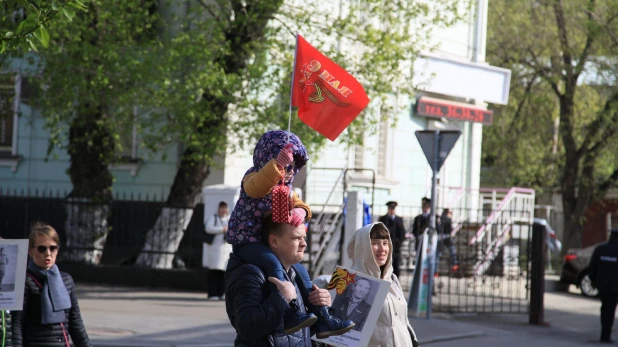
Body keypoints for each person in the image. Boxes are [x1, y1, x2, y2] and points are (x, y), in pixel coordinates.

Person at [226, 130, 353, 336]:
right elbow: (257, 187)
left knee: (301, 272)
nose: (290, 171)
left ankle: (322, 318)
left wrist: (299, 211)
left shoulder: (285, 189)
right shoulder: (252, 178)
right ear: (267, 160)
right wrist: (276, 165)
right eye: (287, 166)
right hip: (247, 240)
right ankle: (291, 312)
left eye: (293, 167)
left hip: (268, 241)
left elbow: (303, 206)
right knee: (272, 263)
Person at [225, 214, 349, 345]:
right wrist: (282, 298)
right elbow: (247, 329)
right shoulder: (250, 273)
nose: (304, 244)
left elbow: (299, 334)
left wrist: (322, 306)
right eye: (296, 238)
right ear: (274, 241)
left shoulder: (296, 274)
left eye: (304, 237)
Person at [12, 222, 90, 347]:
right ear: (30, 251)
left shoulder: (66, 280)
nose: (48, 253)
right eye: (42, 248)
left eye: (53, 248)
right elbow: (17, 324)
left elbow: (75, 322)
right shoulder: (25, 281)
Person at [346, 222, 420, 347]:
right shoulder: (352, 282)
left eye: (385, 243)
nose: (382, 249)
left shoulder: (392, 279)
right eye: (375, 243)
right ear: (363, 247)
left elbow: (403, 320)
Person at [588, 228, 618, 344]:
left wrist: (594, 281)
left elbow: (592, 268)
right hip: (614, 288)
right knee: (610, 311)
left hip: (602, 286)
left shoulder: (600, 250)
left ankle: (604, 334)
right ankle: (605, 336)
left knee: (604, 309)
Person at [203, 201, 231, 301]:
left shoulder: (229, 219)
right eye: (221, 208)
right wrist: (222, 229)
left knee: (225, 273)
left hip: (226, 250)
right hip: (215, 249)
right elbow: (208, 228)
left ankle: (222, 293)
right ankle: (213, 293)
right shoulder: (213, 218)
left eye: (225, 208)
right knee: (214, 272)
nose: (223, 210)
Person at [378, 201, 405, 277]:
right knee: (384, 264)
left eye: (393, 209)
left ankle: (395, 281)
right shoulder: (382, 219)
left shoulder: (399, 219)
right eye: (390, 208)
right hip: (385, 245)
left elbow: (402, 233)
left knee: (396, 265)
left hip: (396, 246)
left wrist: (399, 242)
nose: (391, 210)